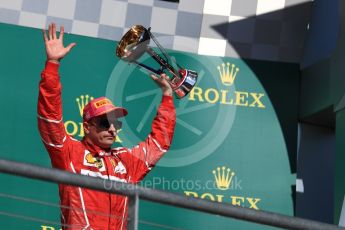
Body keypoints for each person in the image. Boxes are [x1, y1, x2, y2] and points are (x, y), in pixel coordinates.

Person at [38, 23, 176, 230]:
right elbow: (49, 117)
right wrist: (53, 64)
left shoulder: (127, 161)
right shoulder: (69, 153)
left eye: (116, 123)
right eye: (105, 122)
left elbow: (159, 143)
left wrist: (166, 97)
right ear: (87, 126)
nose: (112, 129)